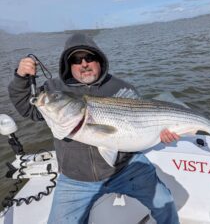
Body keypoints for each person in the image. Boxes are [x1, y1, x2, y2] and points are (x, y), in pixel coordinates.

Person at [8, 33, 180, 224]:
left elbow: (142, 123)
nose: (84, 64)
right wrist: (21, 78)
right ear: (68, 65)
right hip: (76, 178)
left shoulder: (121, 87)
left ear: (100, 60)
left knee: (165, 202)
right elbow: (26, 106)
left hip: (126, 168)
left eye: (89, 57)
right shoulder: (54, 89)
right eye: (75, 60)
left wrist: (161, 134)